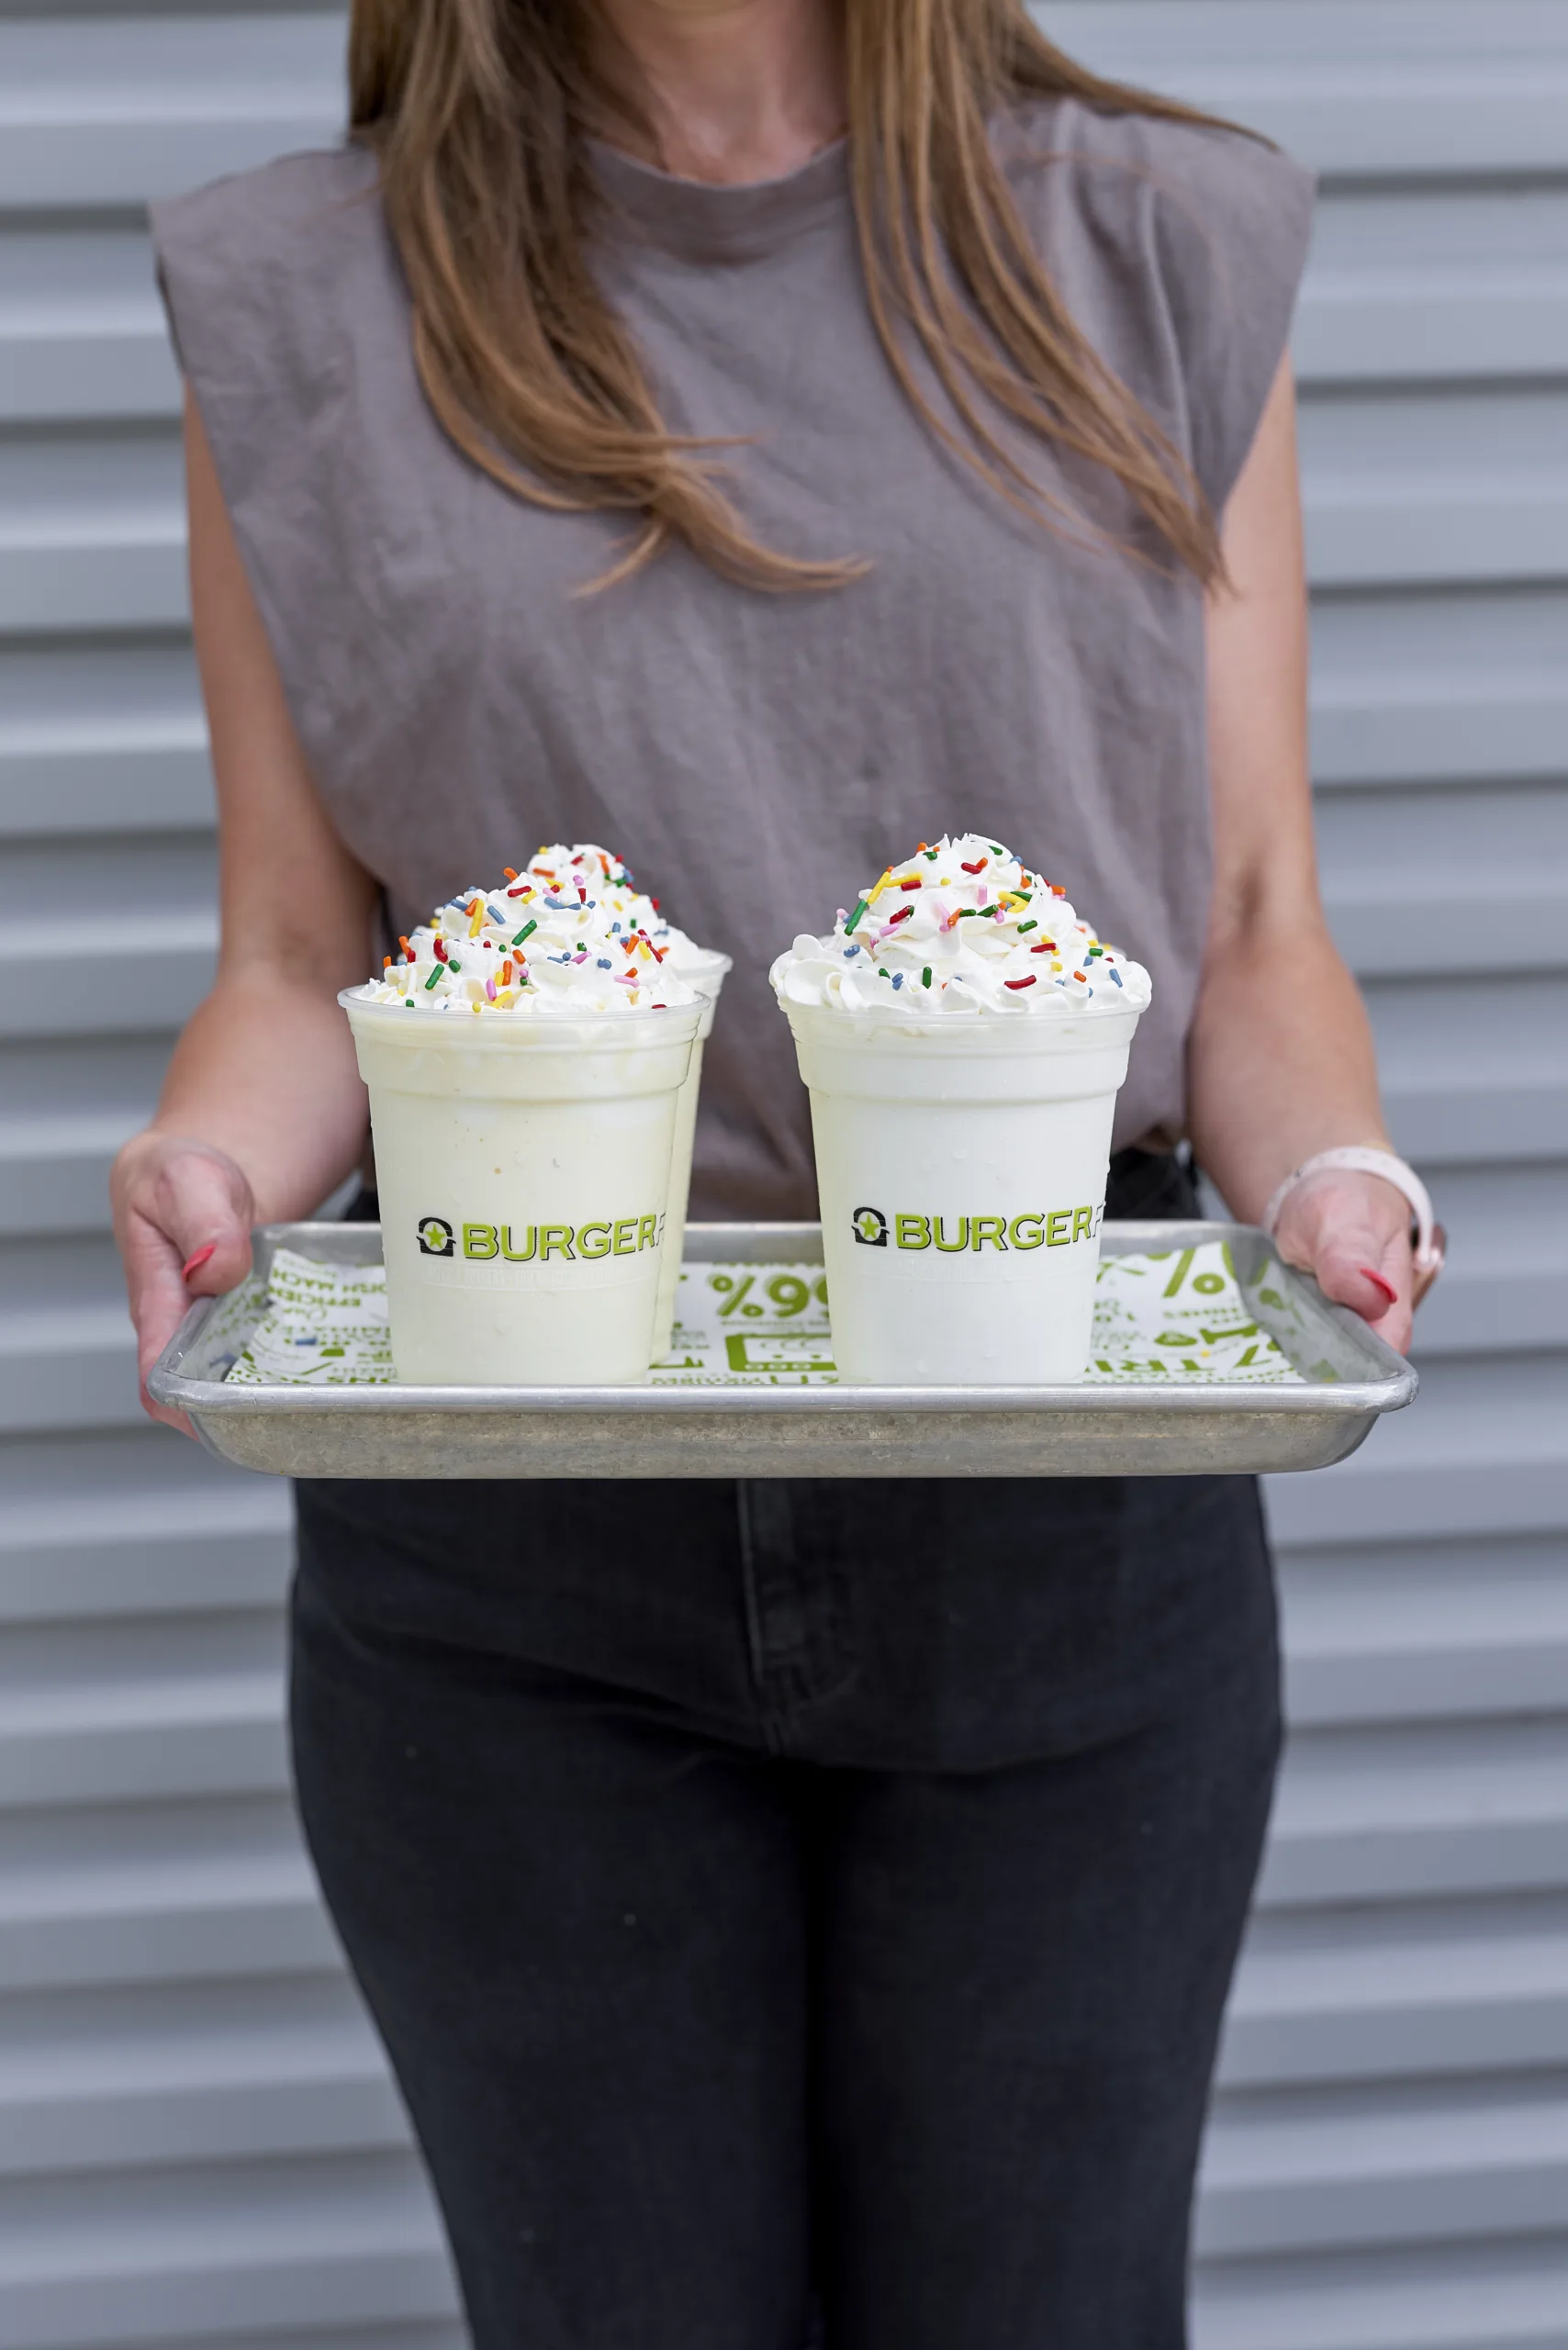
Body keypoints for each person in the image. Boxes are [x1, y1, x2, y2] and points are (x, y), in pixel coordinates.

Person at [113, 3, 1437, 2344]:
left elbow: (1242, 923)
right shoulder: (306, 296)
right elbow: (308, 958)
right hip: (512, 1521)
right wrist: (209, 1167)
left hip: (1048, 1487)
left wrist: (1327, 1171)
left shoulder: (1146, 246)